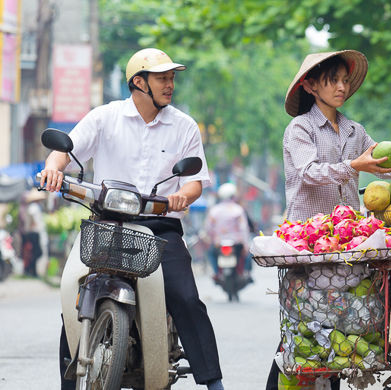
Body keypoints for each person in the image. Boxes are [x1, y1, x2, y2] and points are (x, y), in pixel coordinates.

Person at [39, 48, 225, 390]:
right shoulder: (104, 117)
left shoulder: (184, 126)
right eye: (162, 79)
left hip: (159, 226)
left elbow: (196, 181)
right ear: (139, 83)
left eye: (171, 78)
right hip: (105, 223)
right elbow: (65, 151)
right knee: (74, 293)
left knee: (185, 297)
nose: (170, 85)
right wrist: (53, 169)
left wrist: (184, 195)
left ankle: (213, 382)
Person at [265, 50, 391, 389]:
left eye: (344, 80)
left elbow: (384, 162)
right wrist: (353, 167)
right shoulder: (299, 130)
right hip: (308, 244)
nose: (341, 87)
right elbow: (308, 174)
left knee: (340, 325)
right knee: (306, 324)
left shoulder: (354, 130)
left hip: (348, 243)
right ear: (309, 85)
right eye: (332, 80)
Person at [203, 182, 251, 281]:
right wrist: (246, 244)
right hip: (237, 242)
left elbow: (208, 227)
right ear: (234, 195)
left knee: (211, 253)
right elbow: (243, 228)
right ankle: (246, 272)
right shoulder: (238, 210)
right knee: (248, 254)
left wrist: (211, 239)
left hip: (218, 242)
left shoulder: (214, 210)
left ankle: (216, 273)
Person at [19, 191, 47, 277]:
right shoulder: (34, 207)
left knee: (34, 252)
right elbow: (33, 221)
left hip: (33, 232)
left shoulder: (32, 207)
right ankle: (32, 271)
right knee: (36, 252)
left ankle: (32, 271)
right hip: (34, 232)